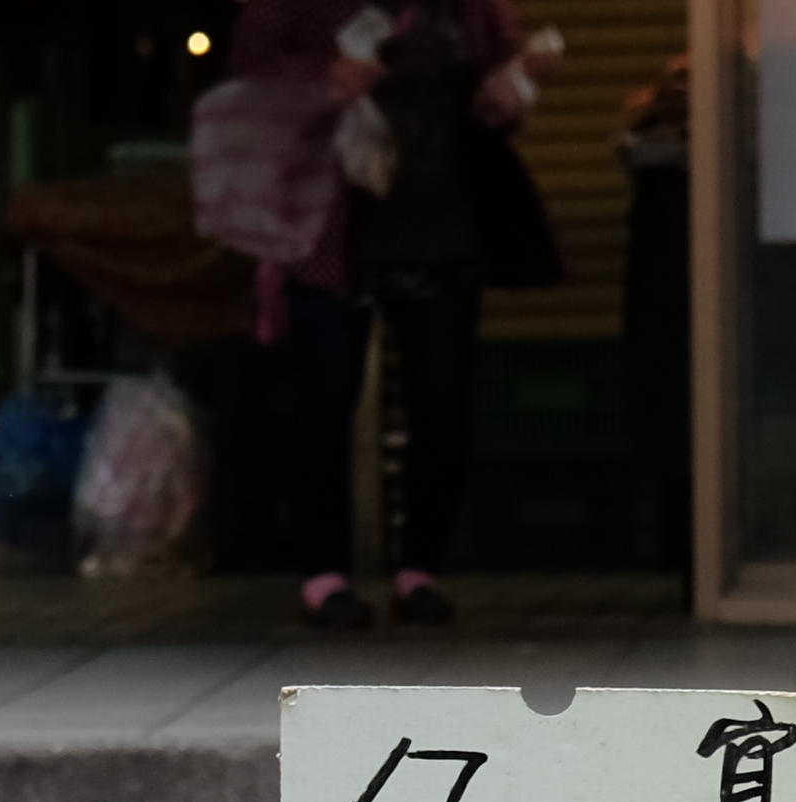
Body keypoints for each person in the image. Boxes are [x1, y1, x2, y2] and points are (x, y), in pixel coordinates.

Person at [216, 0, 555, 629]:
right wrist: (322, 77)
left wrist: (513, 86)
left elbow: (496, 82)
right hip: (332, 232)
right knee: (324, 398)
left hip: (441, 222)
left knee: (441, 401)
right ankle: (323, 574)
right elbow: (249, 65)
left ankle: (420, 570)